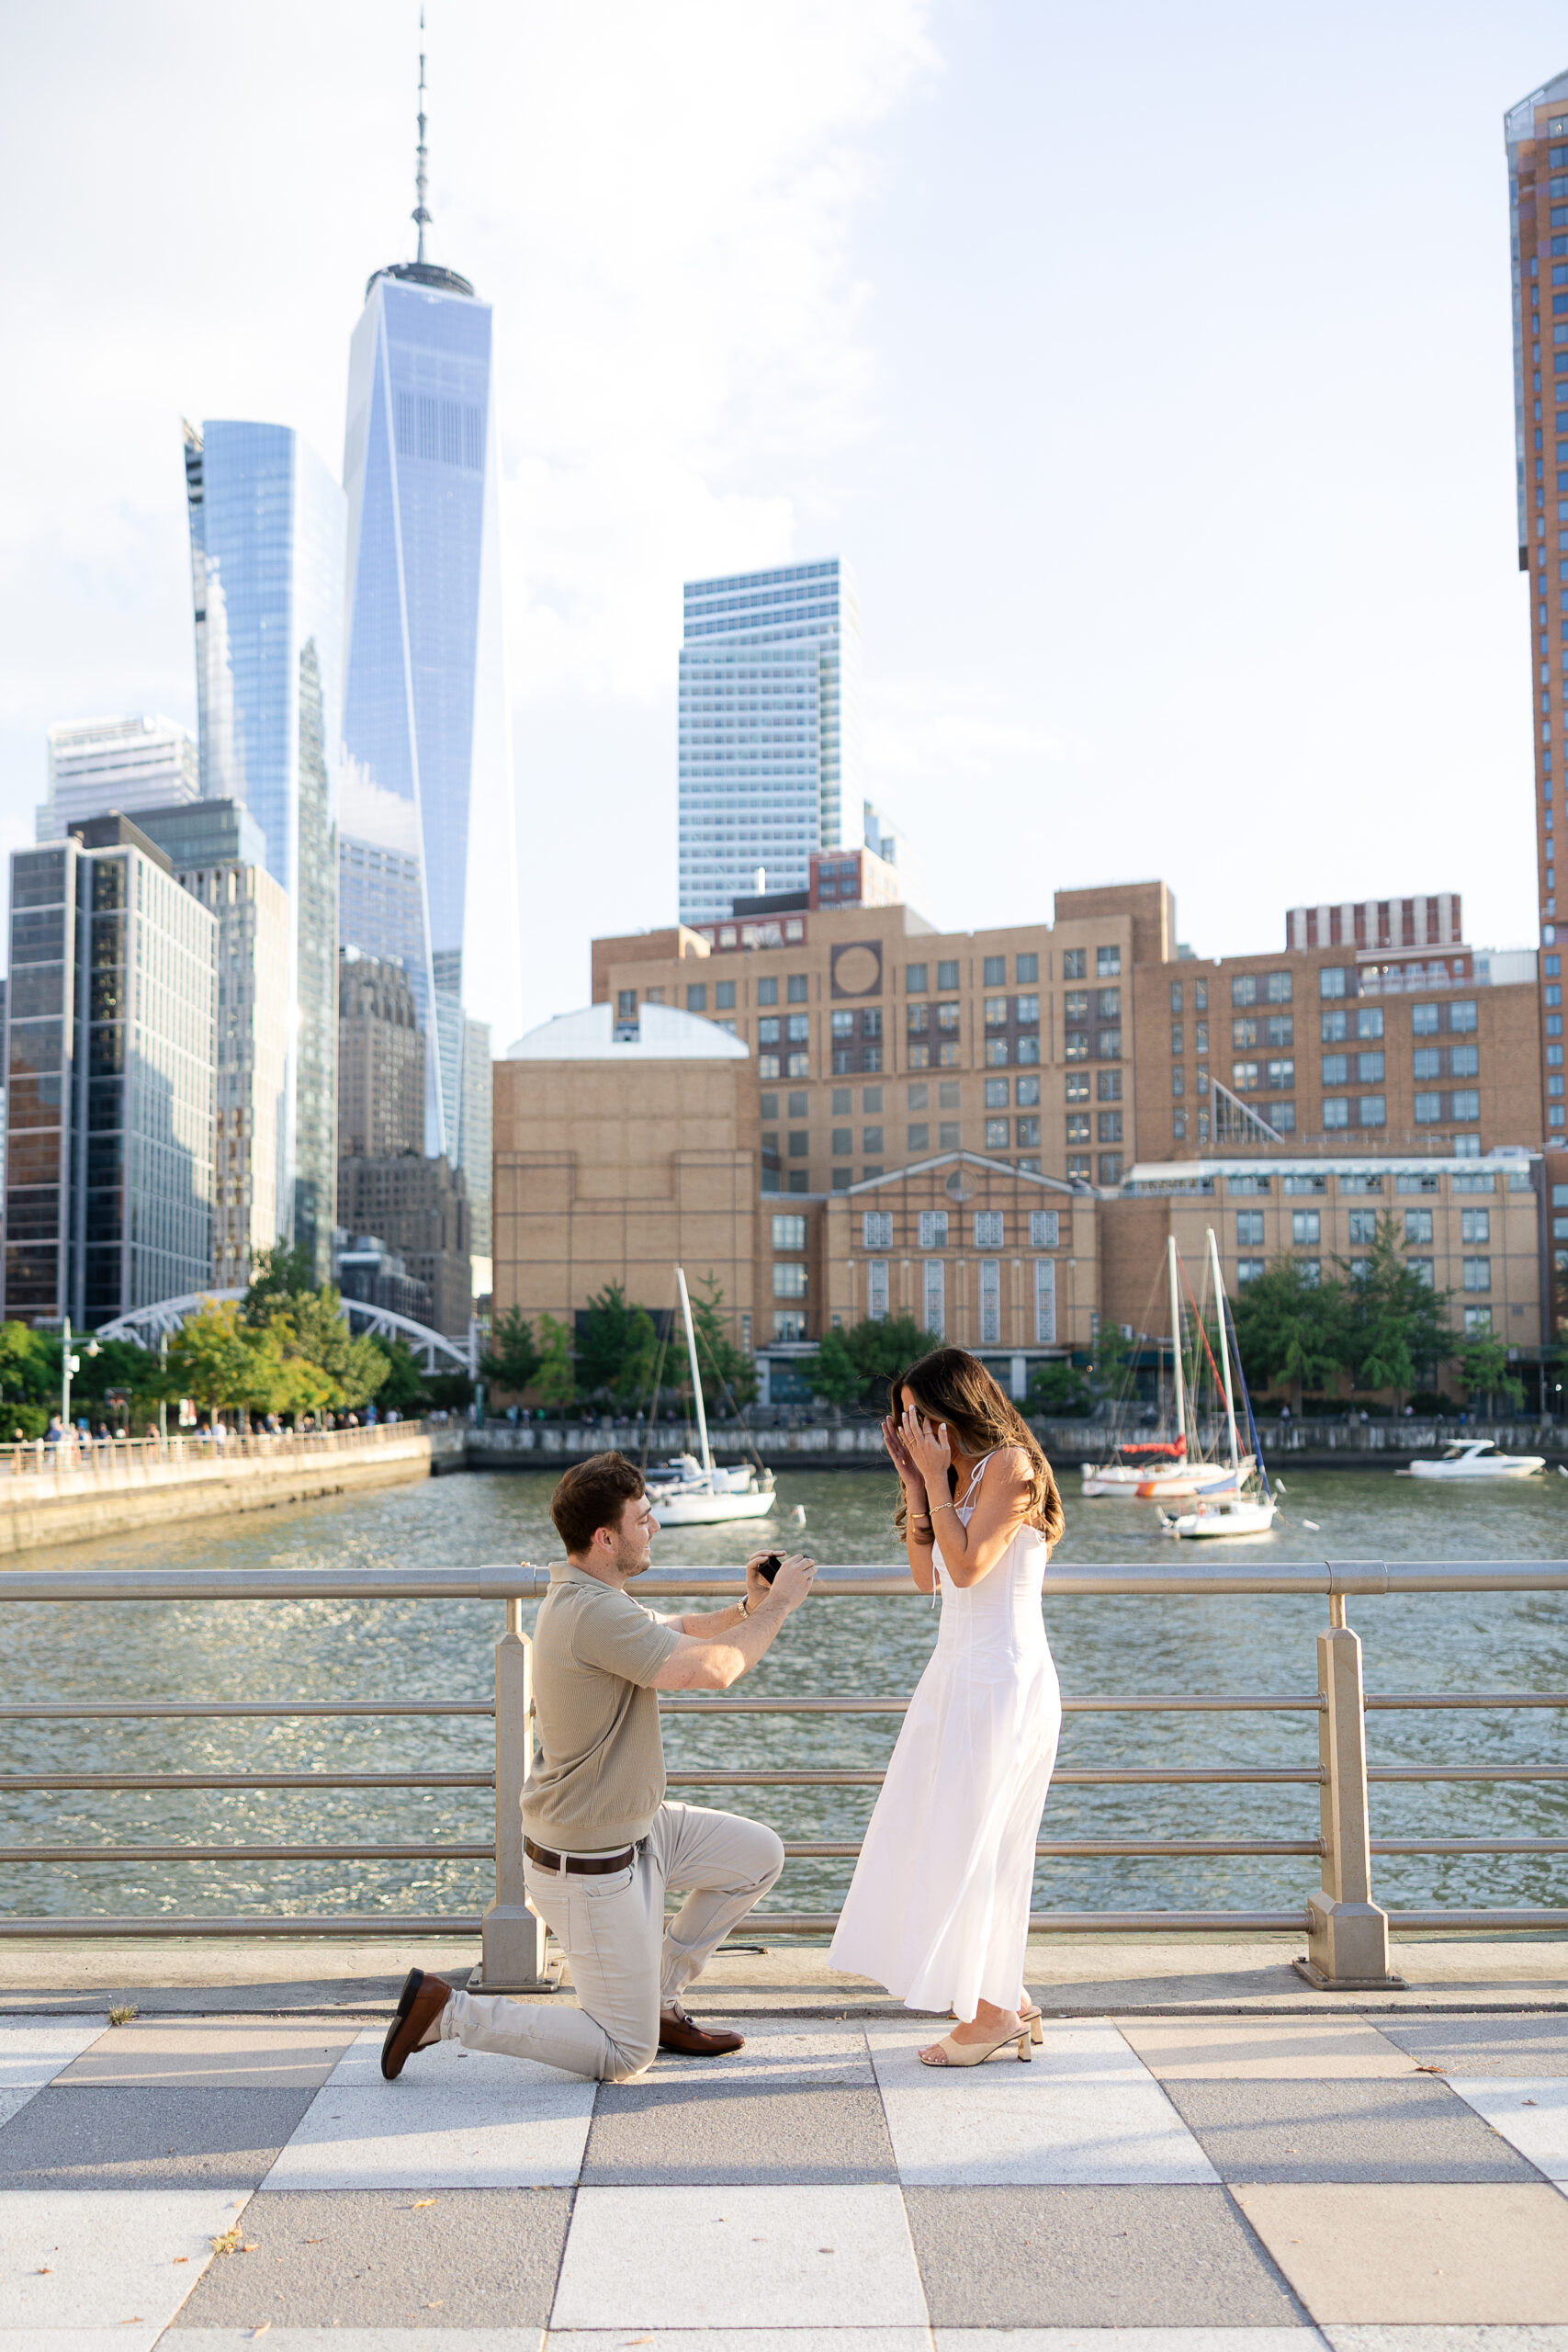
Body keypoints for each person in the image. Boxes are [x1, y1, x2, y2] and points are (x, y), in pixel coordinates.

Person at [381, 1450, 816, 2083]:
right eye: (643, 1518)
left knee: (757, 1855)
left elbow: (679, 1628)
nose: (656, 1527)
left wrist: (748, 1609)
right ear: (605, 1536)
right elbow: (712, 1670)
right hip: (590, 1864)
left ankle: (658, 2001)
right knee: (622, 2055)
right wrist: (781, 1606)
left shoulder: (593, 1594)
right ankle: (447, 2013)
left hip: (640, 1830)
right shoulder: (591, 1611)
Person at [830, 1346, 1064, 2068]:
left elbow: (968, 1567)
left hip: (1001, 1677)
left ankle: (991, 2013)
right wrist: (915, 1482)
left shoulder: (1012, 1466)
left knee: (982, 1841)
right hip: (956, 1672)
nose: (909, 1428)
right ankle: (1007, 1998)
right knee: (949, 1833)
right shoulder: (957, 1475)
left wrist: (933, 1476)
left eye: (916, 1415)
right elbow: (926, 1580)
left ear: (953, 1405)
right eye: (902, 1419)